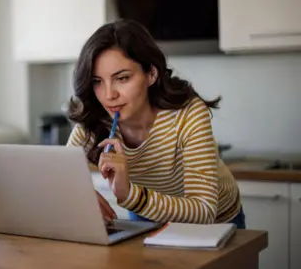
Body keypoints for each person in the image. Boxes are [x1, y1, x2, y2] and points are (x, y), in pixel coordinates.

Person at [66, 19, 245, 229]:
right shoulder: (95, 119)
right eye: (97, 81)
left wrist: (130, 195)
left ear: (151, 74)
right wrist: (80, 194)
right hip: (147, 214)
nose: (108, 95)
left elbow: (204, 210)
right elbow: (60, 177)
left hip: (216, 222)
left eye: (122, 78)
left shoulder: (187, 113)